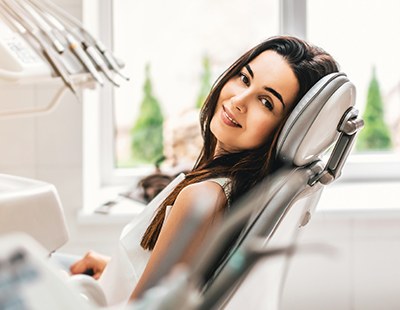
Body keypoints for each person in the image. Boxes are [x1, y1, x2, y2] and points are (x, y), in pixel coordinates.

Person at [69, 35, 339, 304]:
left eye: (266, 102)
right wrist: (112, 270)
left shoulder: (203, 198)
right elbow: (178, 285)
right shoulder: (233, 189)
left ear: (285, 131)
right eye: (244, 78)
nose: (238, 100)